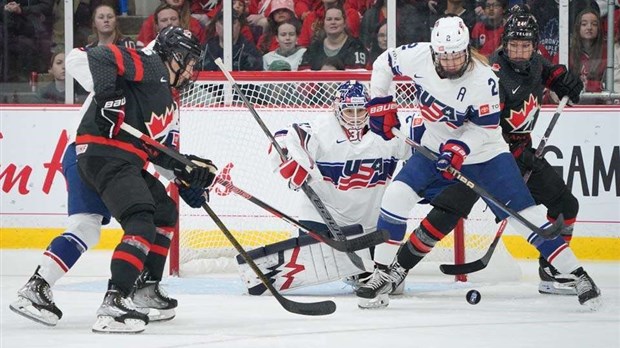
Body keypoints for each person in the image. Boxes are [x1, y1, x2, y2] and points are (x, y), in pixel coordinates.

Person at [355, 16, 601, 311]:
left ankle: (578, 274)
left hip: (486, 156)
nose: (450, 63)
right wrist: (382, 103)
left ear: (467, 49)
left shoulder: (483, 79)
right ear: (434, 51)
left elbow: (484, 129)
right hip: (433, 148)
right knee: (395, 197)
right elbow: (383, 62)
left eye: (457, 55)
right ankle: (381, 273)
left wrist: (459, 149)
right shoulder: (417, 56)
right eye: (444, 56)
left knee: (527, 218)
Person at [9, 26, 216, 334]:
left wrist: (188, 181)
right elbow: (79, 58)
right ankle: (87, 294)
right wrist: (109, 95)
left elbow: (159, 151)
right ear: (170, 55)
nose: (191, 69)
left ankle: (142, 288)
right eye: (186, 60)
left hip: (123, 158)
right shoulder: (147, 63)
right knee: (96, 225)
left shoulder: (169, 104)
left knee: (158, 212)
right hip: (91, 153)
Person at [240, 81, 410, 294]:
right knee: (322, 258)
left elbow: (416, 146)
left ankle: (356, 267)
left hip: (368, 223)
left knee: (394, 288)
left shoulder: (385, 132)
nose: (356, 117)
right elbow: (287, 137)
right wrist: (292, 159)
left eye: (361, 110)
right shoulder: (323, 129)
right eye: (350, 111)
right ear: (337, 109)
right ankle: (348, 265)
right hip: (323, 216)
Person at [298, 6, 368, 70]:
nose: (333, 22)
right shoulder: (314, 47)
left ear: (344, 23)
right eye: (329, 19)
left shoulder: (356, 46)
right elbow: (303, 73)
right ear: (324, 24)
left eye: (337, 19)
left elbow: (358, 75)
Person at [136, 0, 205, 47]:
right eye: (164, 20)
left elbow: (200, 50)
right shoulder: (151, 21)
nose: (169, 23)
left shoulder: (193, 23)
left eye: (173, 19)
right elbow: (143, 49)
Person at [569, 8, 607, 94]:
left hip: (600, 104)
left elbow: (609, 85)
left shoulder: (607, 54)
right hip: (572, 104)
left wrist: (586, 85)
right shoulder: (566, 54)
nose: (589, 27)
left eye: (594, 24)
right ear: (578, 28)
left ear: (599, 28)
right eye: (584, 24)